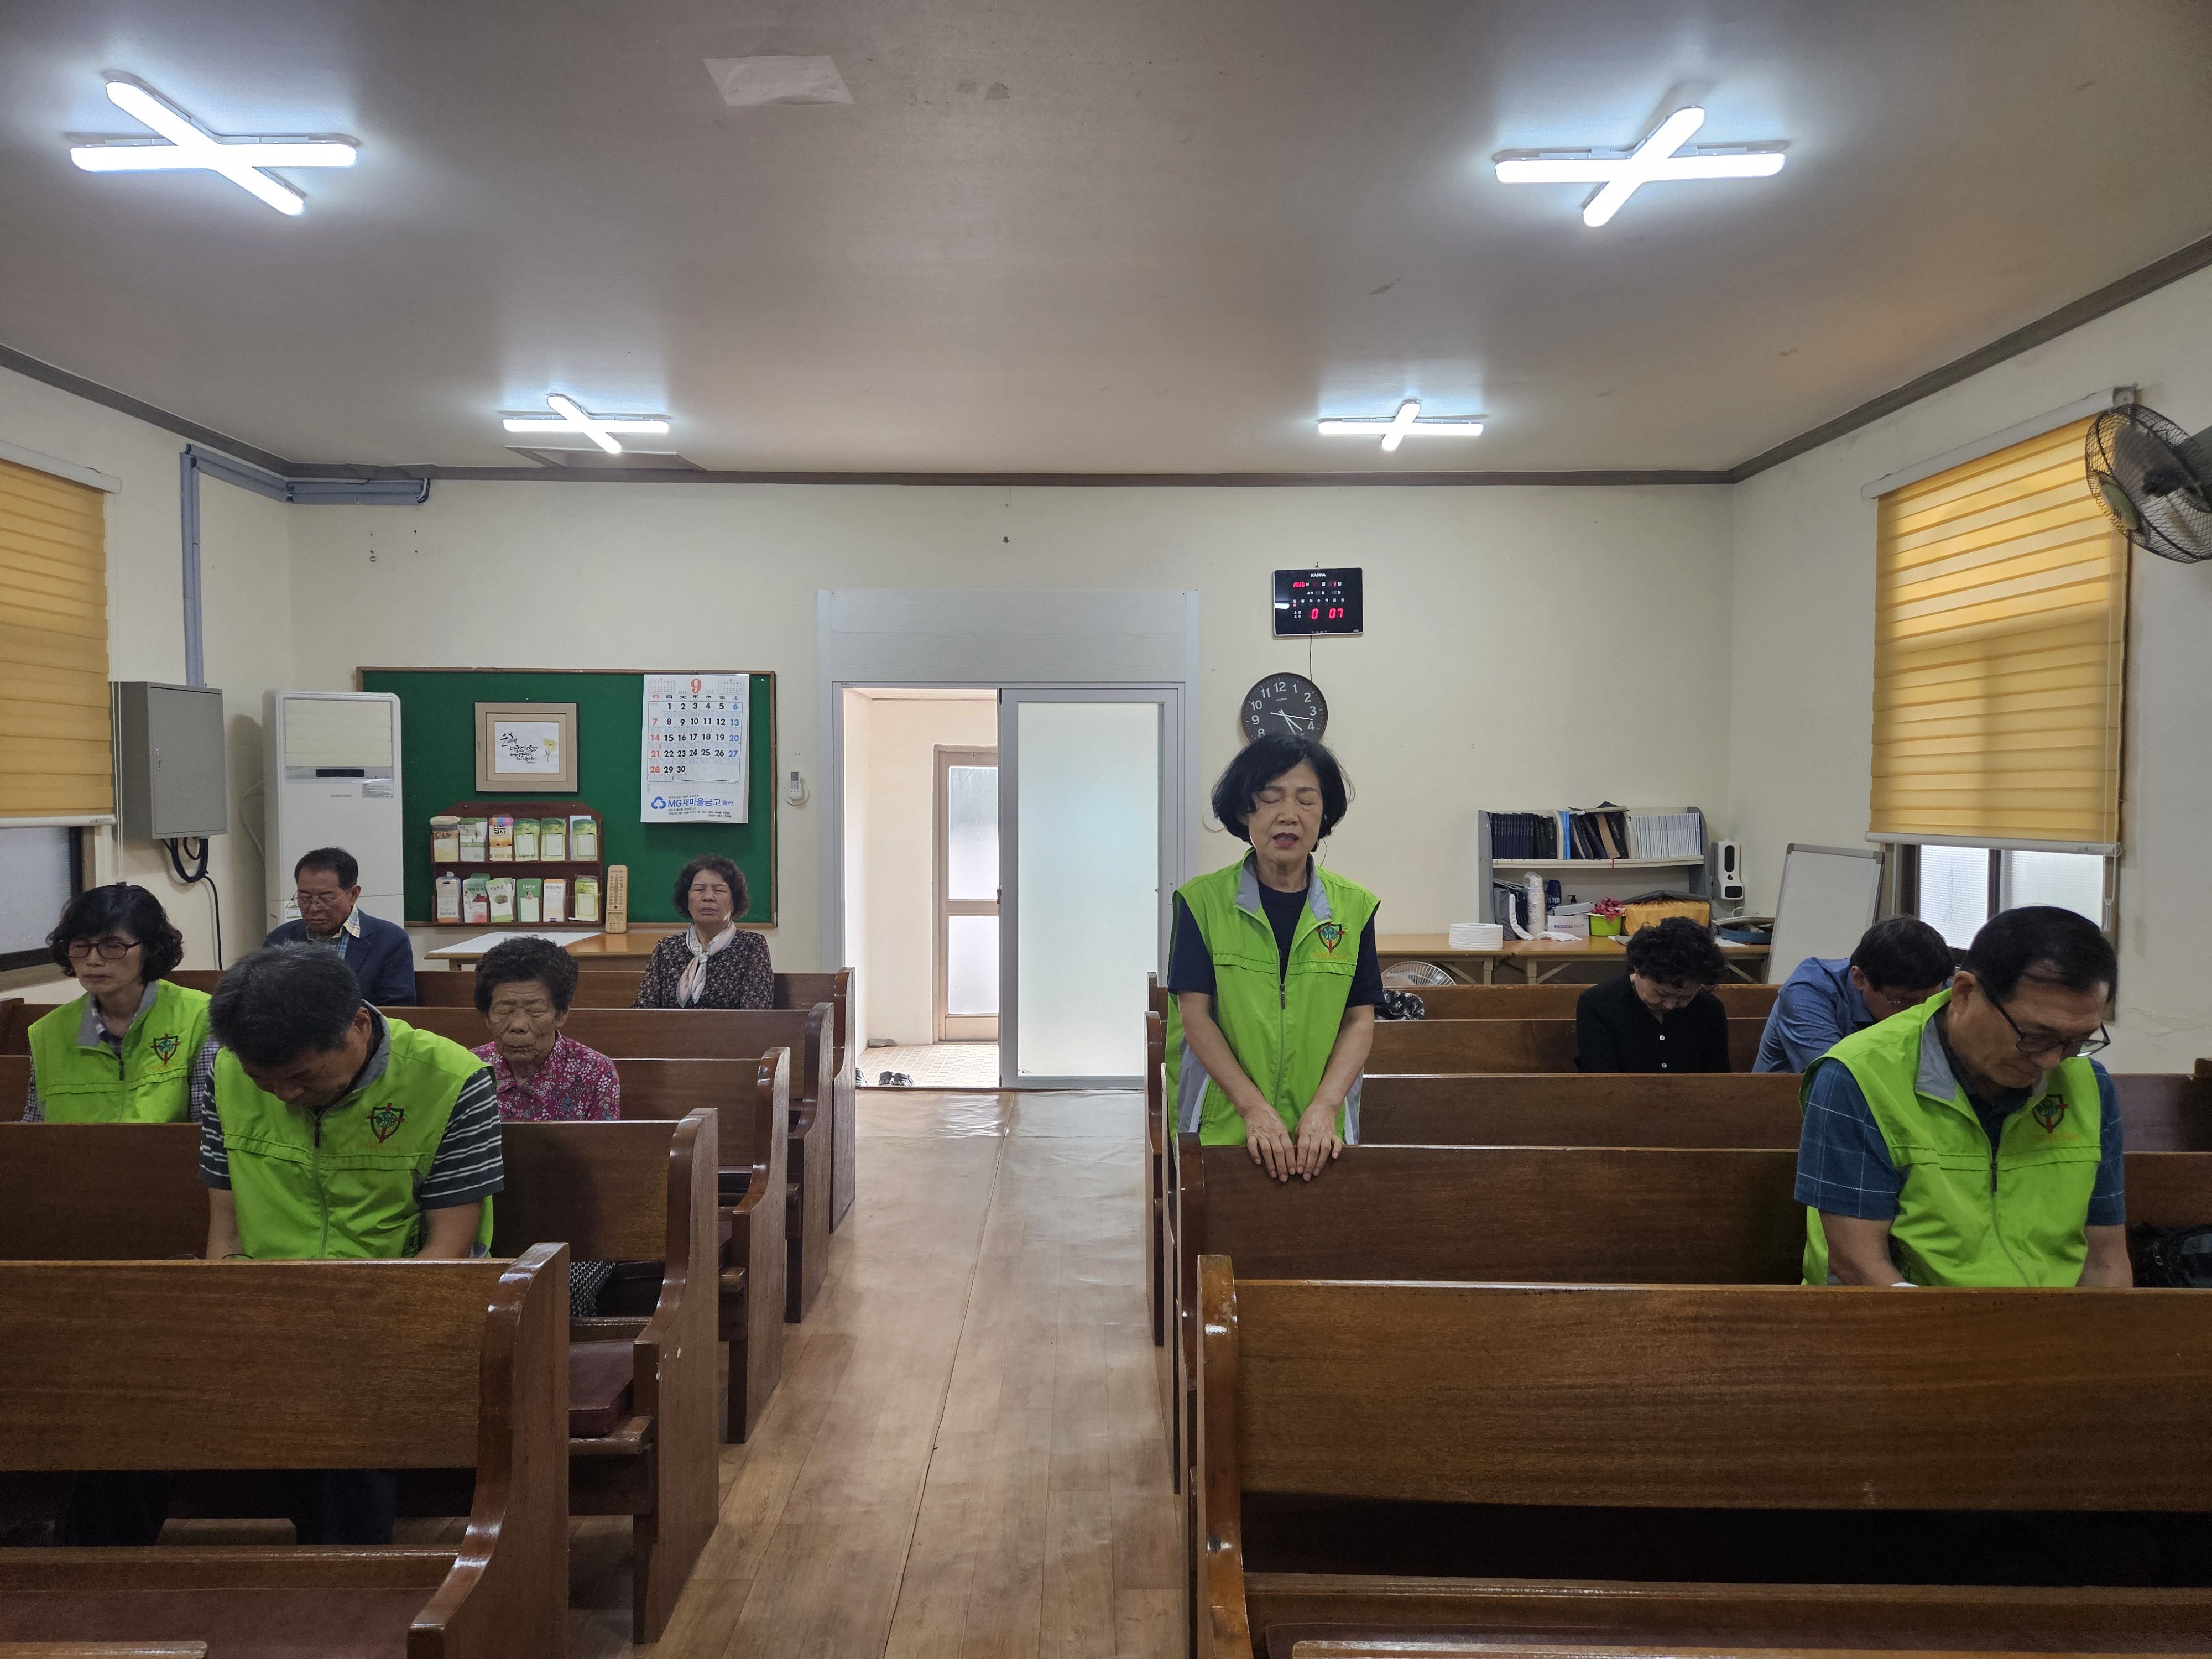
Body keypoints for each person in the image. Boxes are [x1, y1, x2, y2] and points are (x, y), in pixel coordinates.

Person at [199, 944, 504, 1544]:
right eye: (265, 1081)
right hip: (266, 1306)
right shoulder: (228, 1070)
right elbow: (225, 1235)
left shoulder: (450, 1078)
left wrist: (345, 1330)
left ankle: (345, 1585)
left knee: (344, 1411)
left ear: (359, 1025)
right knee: (120, 1405)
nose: (284, 1096)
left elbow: (447, 1252)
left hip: (397, 1310)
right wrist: (242, 1324)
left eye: (303, 1077)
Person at [1796, 906, 2128, 1288]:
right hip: (1909, 1316)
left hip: (2056, 1318)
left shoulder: (2089, 1084)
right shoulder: (1860, 1076)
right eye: (2035, 1036)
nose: (2052, 1060)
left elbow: (2106, 1262)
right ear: (1965, 993)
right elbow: (1858, 1262)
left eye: (2079, 1040)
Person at [1167, 734, 1383, 1183]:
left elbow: (1360, 1020)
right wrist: (1253, 1110)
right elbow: (1195, 1017)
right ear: (1244, 810)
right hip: (1222, 1126)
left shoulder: (1355, 907)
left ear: (1324, 814)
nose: (1289, 814)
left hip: (1320, 1135)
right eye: (1270, 798)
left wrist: (1325, 1107)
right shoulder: (1201, 902)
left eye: (1306, 800)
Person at [25, 884, 216, 1123]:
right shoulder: (47, 1033)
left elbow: (206, 1129)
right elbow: (34, 1132)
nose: (93, 960)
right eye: (81, 946)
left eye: (112, 946)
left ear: (150, 949)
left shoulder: (199, 1018)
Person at [1754, 916, 1954, 1073]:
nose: (1919, 1013)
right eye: (1905, 1001)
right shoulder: (1808, 993)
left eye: (1929, 1001)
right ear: (1860, 979)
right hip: (1787, 1105)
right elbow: (1834, 1079)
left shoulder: (1939, 986)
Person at [470, 935, 620, 1121]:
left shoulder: (595, 1072)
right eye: (504, 1010)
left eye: (535, 1010)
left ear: (562, 1013)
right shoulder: (470, 1070)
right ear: (486, 1016)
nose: (518, 1025)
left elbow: (603, 1140)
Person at [263, 847, 418, 1006]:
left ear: (353, 895)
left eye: (326, 898)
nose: (314, 908)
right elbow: (261, 1001)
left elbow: (399, 1009)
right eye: (305, 898)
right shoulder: (281, 939)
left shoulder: (389, 940)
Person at [1575, 916, 1731, 1073]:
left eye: (1684, 997)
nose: (1670, 1005)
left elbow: (1718, 1078)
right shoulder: (1598, 1004)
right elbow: (1601, 1080)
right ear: (1639, 969)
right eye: (1661, 993)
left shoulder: (1710, 1009)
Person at [633, 854, 773, 1009]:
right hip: (671, 1026)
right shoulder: (667, 948)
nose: (708, 897)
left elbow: (756, 1014)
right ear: (687, 901)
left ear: (734, 902)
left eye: (719, 890)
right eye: (699, 889)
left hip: (731, 1026)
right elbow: (642, 1011)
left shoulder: (751, 946)